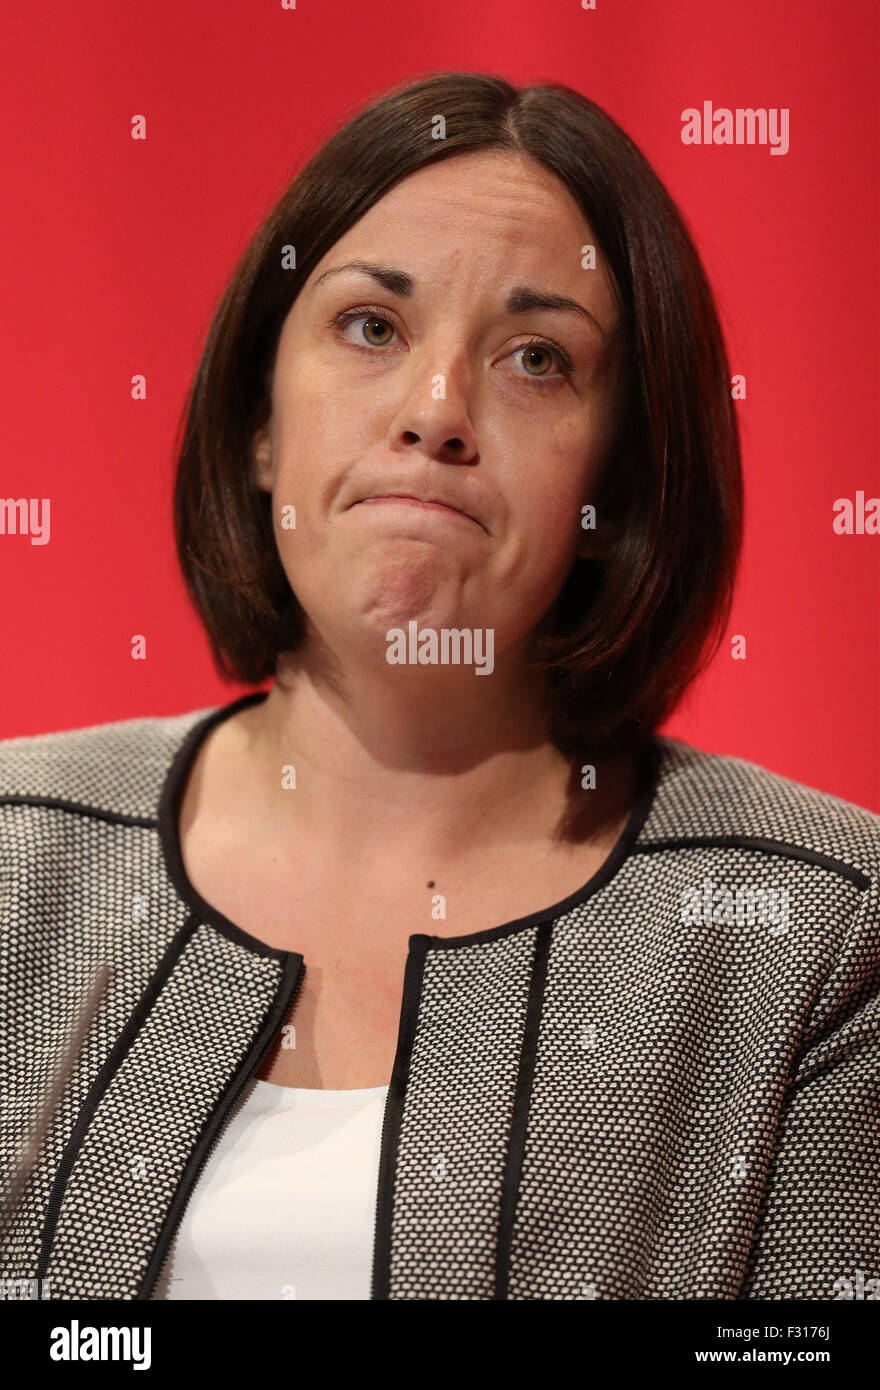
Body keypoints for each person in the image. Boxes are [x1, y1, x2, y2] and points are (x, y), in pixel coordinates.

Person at [1, 72, 878, 1303]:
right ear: (261, 421)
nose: (435, 411)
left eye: (536, 358)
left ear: (615, 489)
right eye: (371, 327)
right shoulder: (12, 849)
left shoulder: (821, 930)